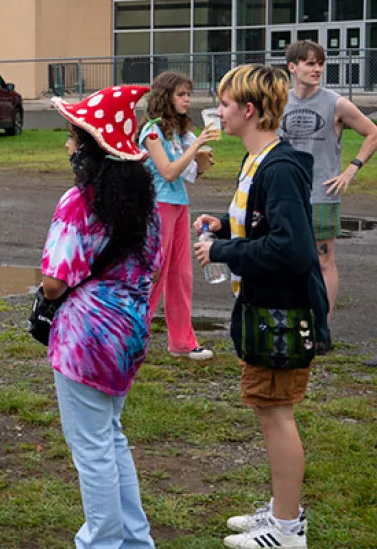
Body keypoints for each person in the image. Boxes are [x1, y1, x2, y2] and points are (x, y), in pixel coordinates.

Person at [194, 64, 327, 549]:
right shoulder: (259, 161)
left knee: (277, 415)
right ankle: (280, 511)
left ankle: (288, 530)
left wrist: (225, 251)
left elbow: (293, 249)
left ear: (249, 110)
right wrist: (227, 229)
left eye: (226, 104)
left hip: (282, 316)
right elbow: (265, 227)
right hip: (263, 309)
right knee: (271, 411)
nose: (219, 112)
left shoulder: (279, 167)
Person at [46, 85, 162, 549]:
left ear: (91, 147)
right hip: (129, 332)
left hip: (86, 338)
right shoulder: (146, 204)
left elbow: (55, 280)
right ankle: (135, 539)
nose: (68, 145)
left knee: (91, 449)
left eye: (74, 137)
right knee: (111, 437)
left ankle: (101, 542)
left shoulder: (79, 203)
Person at [280, 40, 377, 354]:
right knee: (288, 260)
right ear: (292, 67)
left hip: (322, 193)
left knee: (323, 260)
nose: (317, 69)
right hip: (286, 193)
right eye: (309, 63)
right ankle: (293, 323)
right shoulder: (279, 101)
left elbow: (372, 132)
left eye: (320, 63)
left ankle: (322, 328)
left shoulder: (335, 103)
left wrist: (352, 168)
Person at [138, 71, 220, 361]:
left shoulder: (181, 132)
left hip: (178, 205)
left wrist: (202, 161)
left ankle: (182, 342)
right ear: (166, 96)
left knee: (181, 275)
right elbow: (168, 171)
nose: (187, 100)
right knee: (154, 274)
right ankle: (134, 339)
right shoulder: (151, 131)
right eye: (181, 94)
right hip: (157, 206)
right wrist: (196, 147)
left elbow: (189, 173)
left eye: (189, 94)